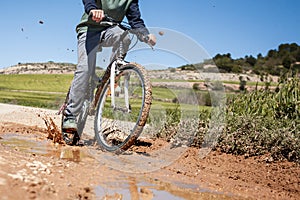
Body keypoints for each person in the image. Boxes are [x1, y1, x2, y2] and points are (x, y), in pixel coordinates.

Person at [62, 0, 156, 135]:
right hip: (89, 29)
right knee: (85, 69)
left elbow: (135, 20)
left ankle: (110, 77)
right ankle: (70, 116)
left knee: (124, 37)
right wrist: (93, 9)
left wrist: (145, 35)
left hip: (111, 29)